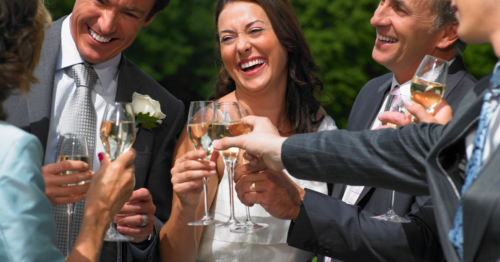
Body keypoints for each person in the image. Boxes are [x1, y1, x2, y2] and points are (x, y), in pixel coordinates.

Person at [214, 0, 500, 260]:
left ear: (448, 34)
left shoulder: (469, 107)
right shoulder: (371, 93)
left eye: (399, 8)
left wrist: (295, 193)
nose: (376, 18)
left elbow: (425, 242)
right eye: (380, 2)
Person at [4, 0, 185, 260]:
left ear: (149, 18)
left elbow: (161, 235)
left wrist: (143, 234)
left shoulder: (165, 107)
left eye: (129, 13)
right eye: (101, 1)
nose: (106, 24)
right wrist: (21, 190)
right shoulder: (7, 55)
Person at [159, 0, 336, 261]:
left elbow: (341, 236)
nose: (241, 46)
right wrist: (186, 209)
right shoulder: (209, 127)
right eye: (228, 38)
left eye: (254, 31)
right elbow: (174, 258)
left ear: (287, 36)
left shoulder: (323, 129)